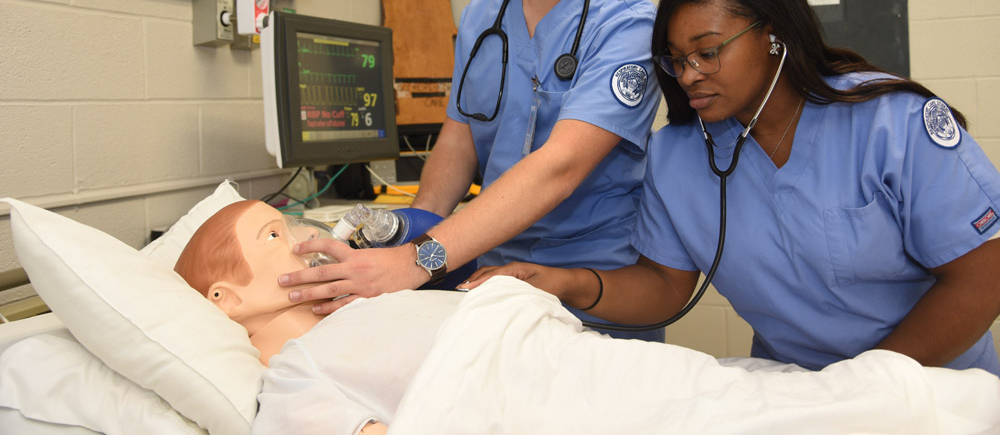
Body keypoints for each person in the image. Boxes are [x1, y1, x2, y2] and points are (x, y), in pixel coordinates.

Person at [465, 0, 1000, 375]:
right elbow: (663, 288)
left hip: (933, 384)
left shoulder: (893, 123)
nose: (690, 73)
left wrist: (871, 385)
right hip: (796, 395)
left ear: (774, 37)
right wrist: (565, 282)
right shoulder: (677, 157)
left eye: (708, 50)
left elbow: (982, 277)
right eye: (675, 60)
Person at [279, 0, 661, 338]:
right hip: (489, 278)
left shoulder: (628, 27)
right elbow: (459, 140)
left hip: (592, 289)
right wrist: (406, 236)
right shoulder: (485, 15)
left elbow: (559, 167)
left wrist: (420, 260)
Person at [174, 199, 1000, 435]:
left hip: (580, 367)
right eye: (273, 236)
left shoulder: (371, 306)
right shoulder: (291, 380)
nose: (306, 237)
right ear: (230, 300)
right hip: (538, 403)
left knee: (771, 396)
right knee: (860, 409)